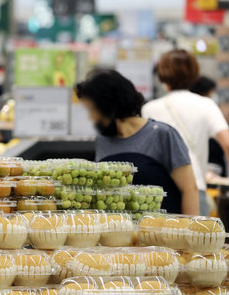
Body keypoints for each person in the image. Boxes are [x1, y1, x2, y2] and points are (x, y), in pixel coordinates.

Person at [76, 70, 199, 215]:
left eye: (92, 109)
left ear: (109, 106)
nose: (91, 117)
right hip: (119, 235)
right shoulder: (103, 140)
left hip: (161, 233)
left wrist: (188, 231)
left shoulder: (161, 134)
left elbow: (190, 189)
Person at [142, 49, 229, 215]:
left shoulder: (149, 109)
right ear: (194, 73)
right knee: (197, 238)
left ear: (162, 74)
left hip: (158, 194)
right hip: (195, 188)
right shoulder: (206, 105)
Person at [190, 76, 227, 177]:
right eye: (212, 91)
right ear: (205, 92)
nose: (214, 95)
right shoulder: (208, 106)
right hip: (210, 166)